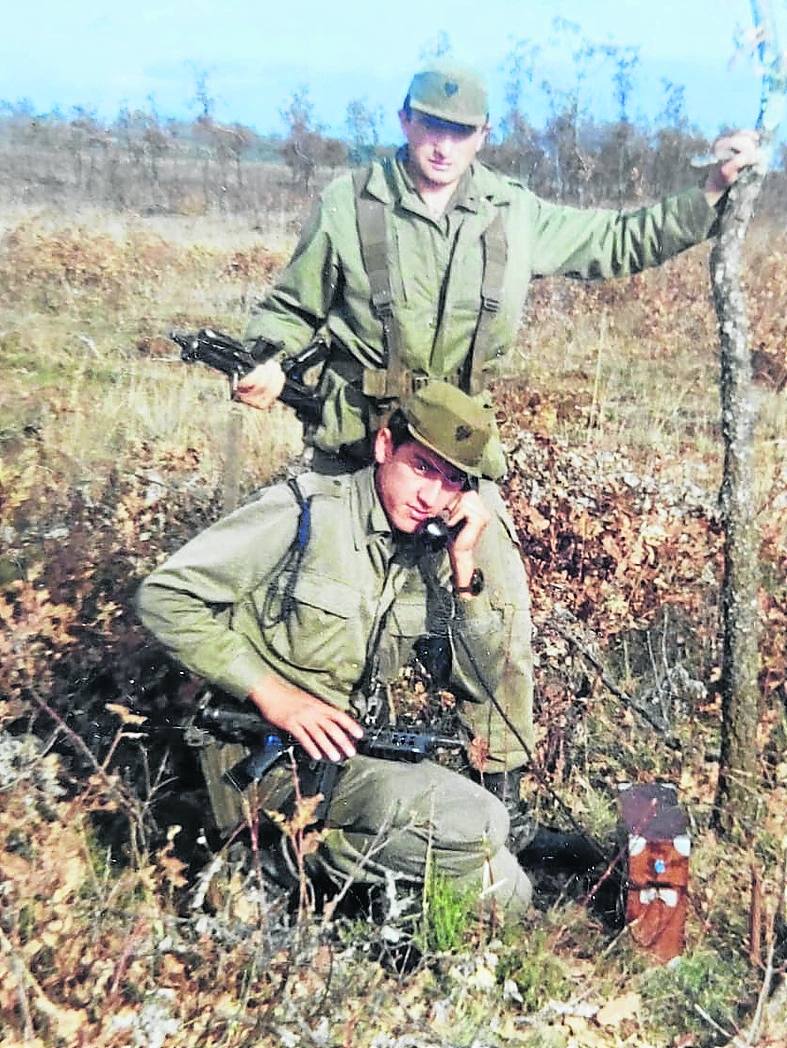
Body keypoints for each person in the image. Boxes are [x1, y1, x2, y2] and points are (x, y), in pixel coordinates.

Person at [222, 64, 758, 807]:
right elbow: (289, 306)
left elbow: (614, 241)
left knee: (497, 617)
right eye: (429, 126)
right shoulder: (350, 203)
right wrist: (265, 361)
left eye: (460, 131)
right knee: (326, 621)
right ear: (405, 121)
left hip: (455, 460)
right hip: (355, 453)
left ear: (483, 136)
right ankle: (300, 801)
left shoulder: (512, 212)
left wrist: (708, 195)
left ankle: (500, 802)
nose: (442, 146)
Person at [136, 382, 534, 914]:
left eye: (451, 482)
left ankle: (342, 900)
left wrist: (464, 572)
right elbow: (165, 596)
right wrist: (273, 693)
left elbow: (478, 684)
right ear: (384, 447)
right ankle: (267, 866)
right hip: (255, 762)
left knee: (505, 891)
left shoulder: (428, 553)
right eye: (421, 468)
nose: (431, 498)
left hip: (337, 765)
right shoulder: (303, 512)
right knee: (482, 823)